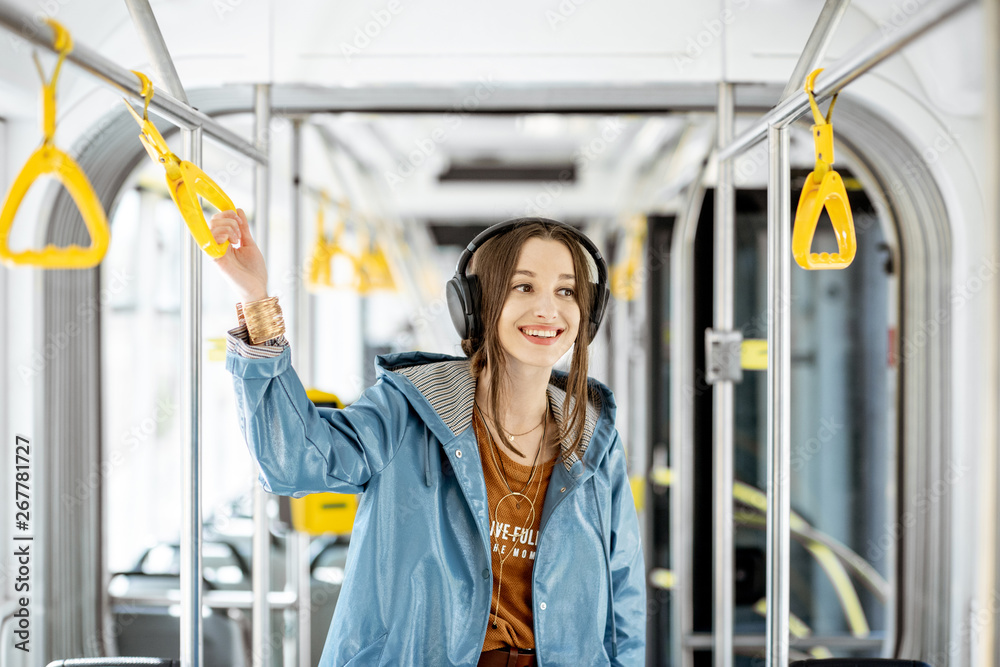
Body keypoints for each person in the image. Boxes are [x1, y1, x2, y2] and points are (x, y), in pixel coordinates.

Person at [209, 210, 646, 666]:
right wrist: (255, 300)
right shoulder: (407, 411)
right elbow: (290, 461)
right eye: (524, 286)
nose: (548, 309)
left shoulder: (594, 440)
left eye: (567, 291)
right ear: (474, 305)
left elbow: (623, 596)